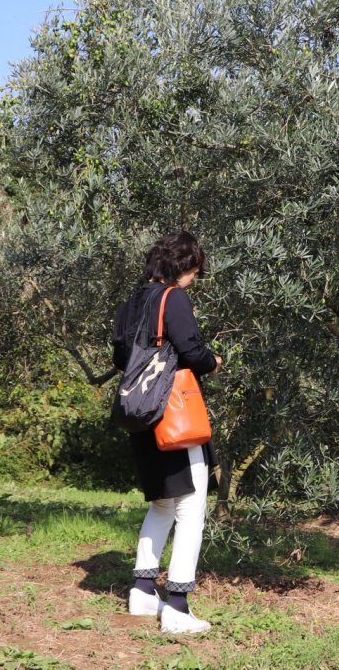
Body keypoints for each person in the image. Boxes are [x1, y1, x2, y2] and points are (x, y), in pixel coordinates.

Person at [111, 231, 222, 634]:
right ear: (182, 266)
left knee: (162, 502)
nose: (195, 277)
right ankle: (177, 606)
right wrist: (213, 362)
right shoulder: (173, 297)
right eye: (195, 270)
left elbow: (121, 355)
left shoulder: (133, 300)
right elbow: (191, 350)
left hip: (139, 410)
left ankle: (143, 592)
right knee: (191, 505)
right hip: (172, 413)